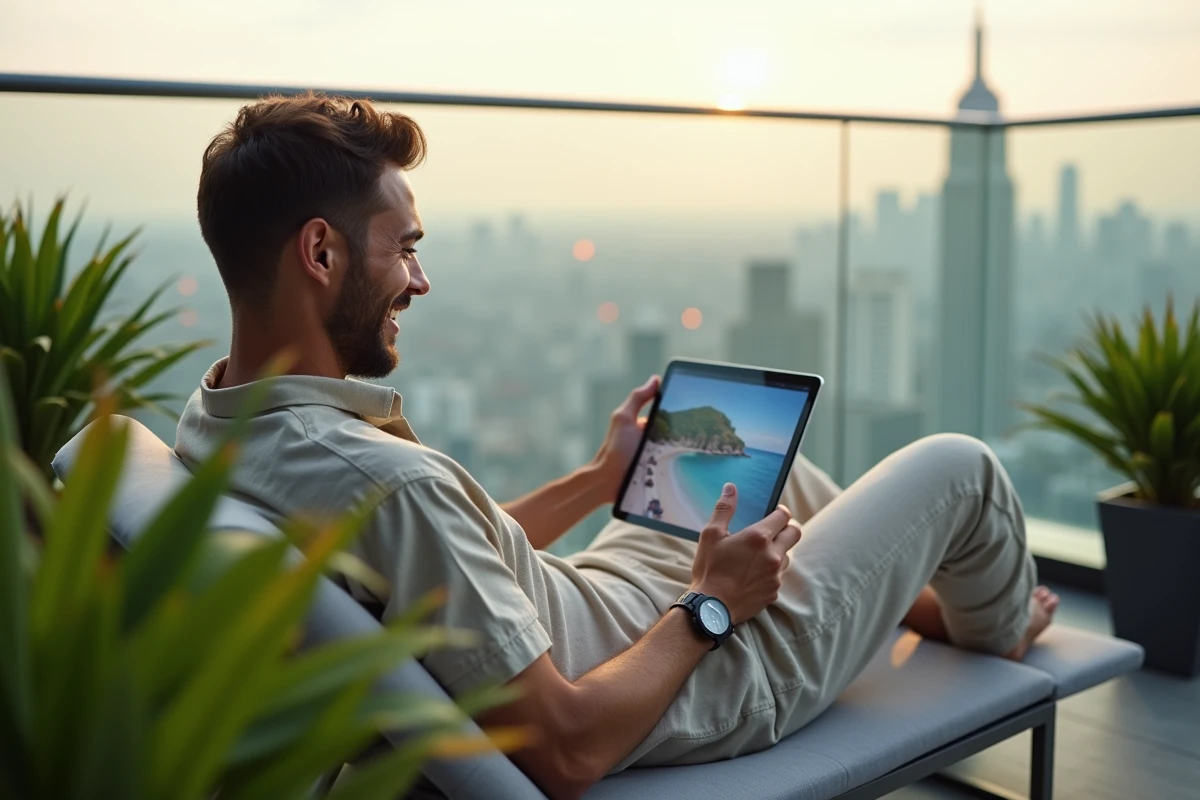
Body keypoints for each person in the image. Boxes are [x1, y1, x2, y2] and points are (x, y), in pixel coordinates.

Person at [177, 94, 1058, 800]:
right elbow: (565, 752)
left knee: (768, 475)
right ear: (320, 253)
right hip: (681, 681)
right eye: (403, 251)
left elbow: (431, 563)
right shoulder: (383, 478)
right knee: (958, 468)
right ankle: (999, 630)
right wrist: (711, 605)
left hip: (592, 605)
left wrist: (601, 482)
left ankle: (908, 601)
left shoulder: (221, 422)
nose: (420, 279)